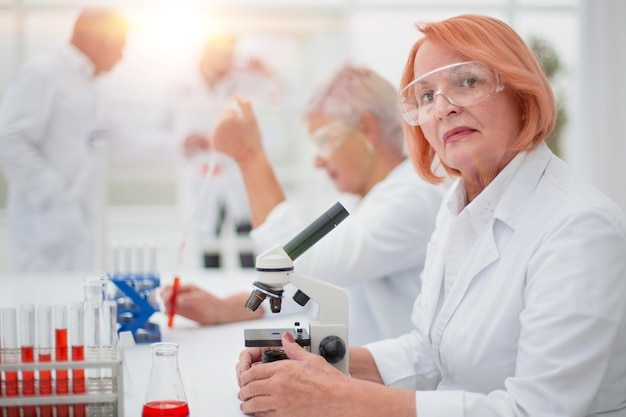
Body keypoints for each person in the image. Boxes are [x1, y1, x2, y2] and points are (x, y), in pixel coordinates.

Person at [234, 14, 626, 416]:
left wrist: (335, 397)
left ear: (522, 93)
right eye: (425, 96)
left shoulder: (579, 227)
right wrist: (304, 360)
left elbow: (536, 411)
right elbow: (428, 353)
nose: (442, 108)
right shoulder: (459, 206)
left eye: (467, 82)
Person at [161, 65, 444, 345]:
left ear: (366, 129)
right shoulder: (357, 200)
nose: (318, 161)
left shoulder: (413, 199)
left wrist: (250, 156)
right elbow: (302, 289)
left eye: (324, 141)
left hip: (385, 382)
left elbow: (302, 267)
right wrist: (222, 309)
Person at [0, 8, 127, 271]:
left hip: (77, 227)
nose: (121, 56)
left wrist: (184, 143)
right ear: (99, 38)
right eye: (120, 45)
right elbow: (9, 139)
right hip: (45, 228)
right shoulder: (43, 72)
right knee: (43, 304)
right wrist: (56, 199)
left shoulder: (88, 84)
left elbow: (116, 138)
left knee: (78, 301)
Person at [163, 33, 282, 268]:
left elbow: (283, 97)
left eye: (230, 54)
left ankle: (249, 293)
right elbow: (163, 127)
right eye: (221, 53)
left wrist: (268, 72)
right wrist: (185, 139)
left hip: (234, 168)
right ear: (206, 52)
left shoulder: (245, 79)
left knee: (247, 236)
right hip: (200, 167)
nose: (226, 60)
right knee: (208, 238)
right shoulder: (180, 82)